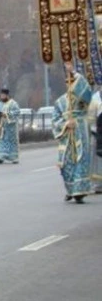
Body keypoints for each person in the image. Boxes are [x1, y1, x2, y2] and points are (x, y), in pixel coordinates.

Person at [52, 65, 92, 204]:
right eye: (68, 82)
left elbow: (86, 89)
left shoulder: (82, 98)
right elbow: (55, 119)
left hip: (80, 132)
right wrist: (65, 125)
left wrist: (73, 72)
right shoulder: (60, 101)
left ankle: (79, 191)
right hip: (66, 135)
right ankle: (70, 189)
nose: (70, 84)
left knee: (80, 160)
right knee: (66, 164)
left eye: (72, 81)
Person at [0, 88, 20, 164]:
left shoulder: (13, 103)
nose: (2, 97)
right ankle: (0, 157)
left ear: (7, 95)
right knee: (1, 141)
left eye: (3, 95)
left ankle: (13, 157)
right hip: (2, 126)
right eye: (1, 95)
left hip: (11, 128)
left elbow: (17, 112)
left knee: (11, 142)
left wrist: (7, 114)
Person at [86, 87, 102, 193]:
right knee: (96, 159)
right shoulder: (95, 100)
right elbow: (92, 119)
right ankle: (97, 184)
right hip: (97, 134)